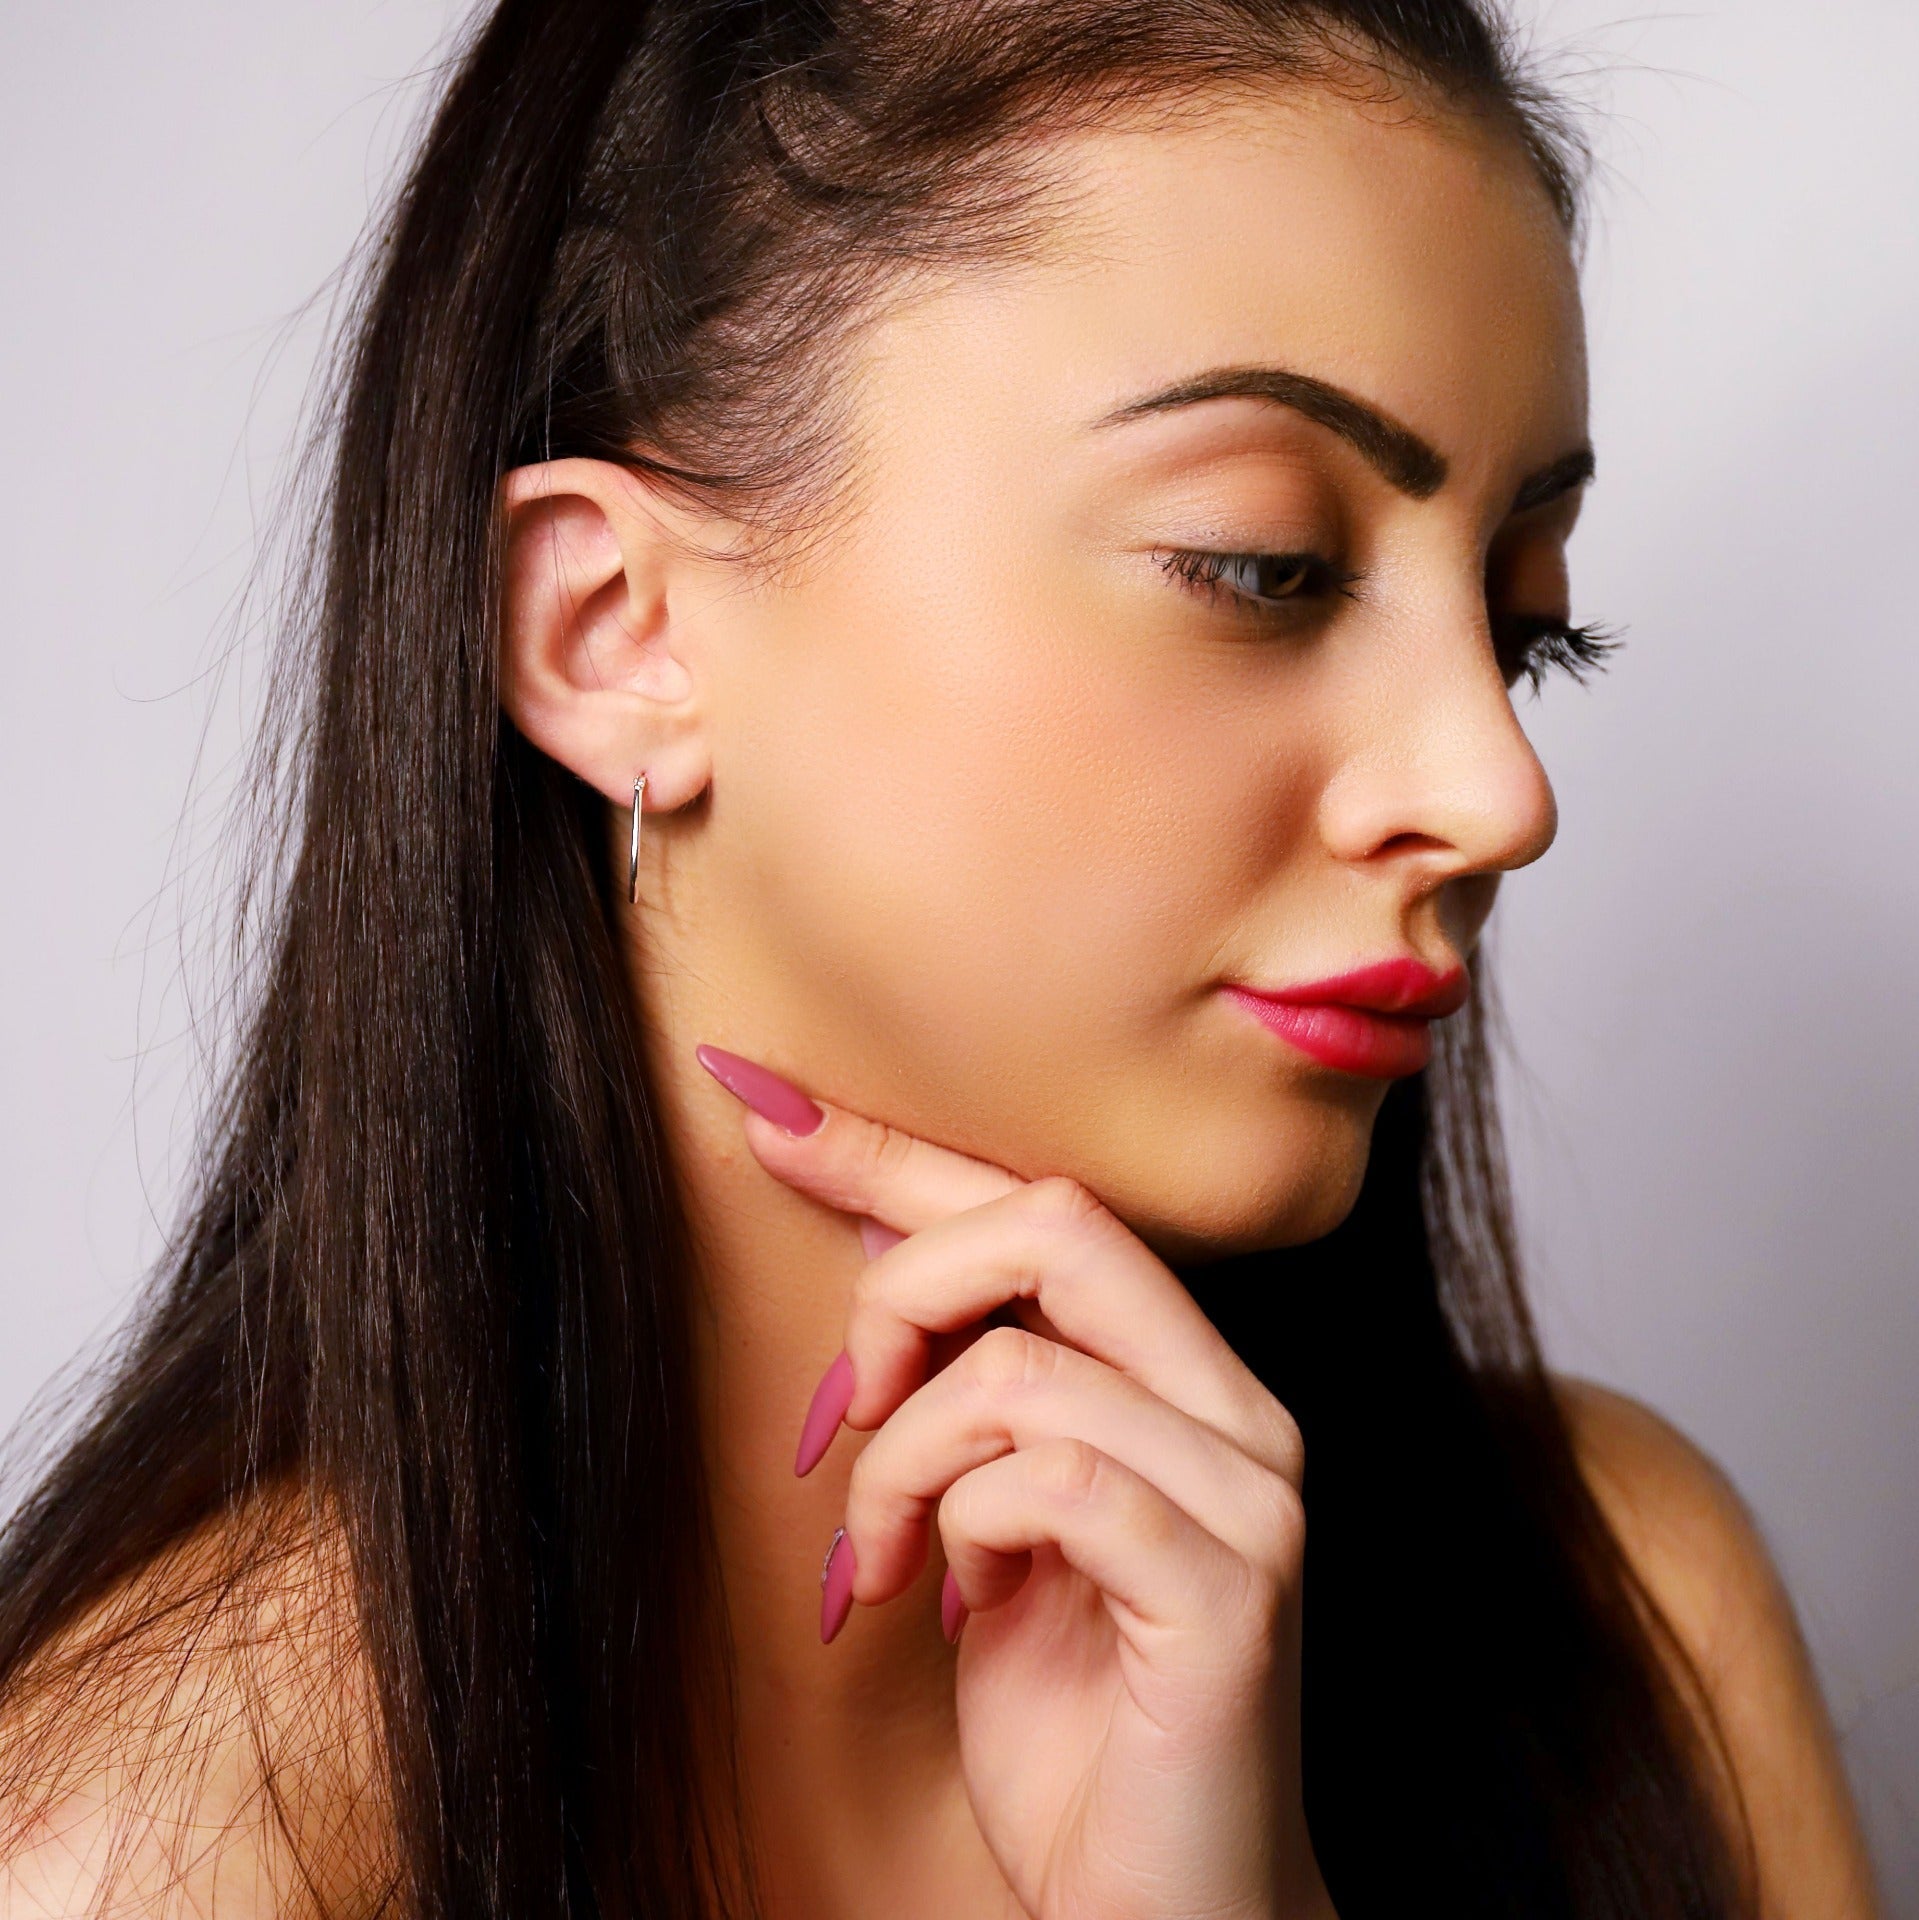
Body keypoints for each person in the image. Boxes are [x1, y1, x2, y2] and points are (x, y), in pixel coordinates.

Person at [0, 2, 1882, 1915]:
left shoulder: (1628, 1618)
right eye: (1264, 564)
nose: (1497, 788)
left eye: (1522, 620)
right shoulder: (152, 1852)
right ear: (610, 630)